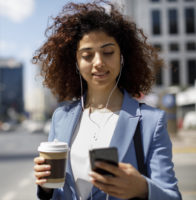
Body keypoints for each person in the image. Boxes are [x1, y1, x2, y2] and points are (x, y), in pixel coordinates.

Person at [32, 1, 182, 200]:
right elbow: (59, 192)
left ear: (122, 56)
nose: (99, 63)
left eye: (108, 52)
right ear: (76, 62)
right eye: (87, 55)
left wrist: (143, 188)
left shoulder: (151, 122)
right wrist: (45, 188)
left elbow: (172, 196)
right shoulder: (61, 117)